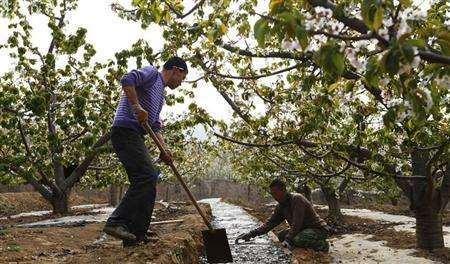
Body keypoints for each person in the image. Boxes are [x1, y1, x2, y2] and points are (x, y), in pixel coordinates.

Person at [102, 56, 188, 247]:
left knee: (151, 179)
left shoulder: (161, 96)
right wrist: (136, 106)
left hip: (136, 135)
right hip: (125, 131)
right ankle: (116, 222)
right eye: (182, 79)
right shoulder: (152, 74)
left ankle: (137, 232)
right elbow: (127, 79)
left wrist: (164, 150)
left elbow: (154, 126)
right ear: (176, 70)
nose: (180, 84)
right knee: (146, 176)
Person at [236, 179, 332, 252]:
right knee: (281, 235)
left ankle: (323, 245)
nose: (274, 196)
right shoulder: (280, 206)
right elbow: (270, 223)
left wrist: (288, 240)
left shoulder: (297, 199)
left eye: (276, 193)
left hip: (317, 229)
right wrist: (251, 234)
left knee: (296, 239)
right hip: (302, 229)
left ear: (284, 190)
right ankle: (299, 242)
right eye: (272, 194)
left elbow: (296, 224)